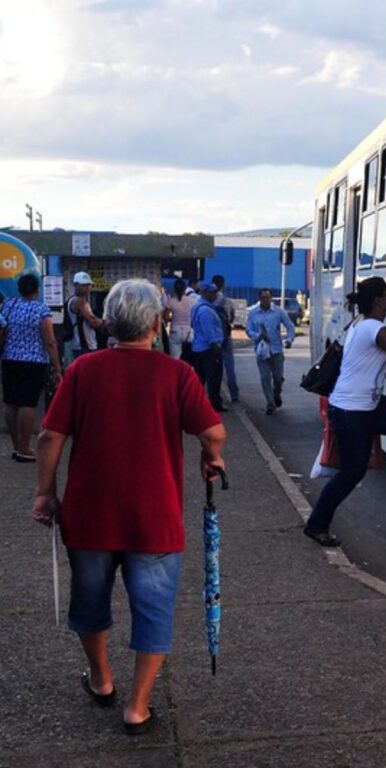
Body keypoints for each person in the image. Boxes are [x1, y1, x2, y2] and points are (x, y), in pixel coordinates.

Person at [32, 279, 226, 735]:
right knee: (154, 610)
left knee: (90, 602)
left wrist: (46, 491)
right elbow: (213, 432)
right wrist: (210, 457)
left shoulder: (83, 371)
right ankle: (137, 708)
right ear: (158, 324)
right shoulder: (176, 374)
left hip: (89, 514)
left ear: (111, 323)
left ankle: (102, 680)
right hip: (153, 517)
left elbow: (49, 436)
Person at [303, 277, 386, 547]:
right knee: (352, 472)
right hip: (352, 410)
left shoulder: (362, 325)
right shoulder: (371, 328)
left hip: (368, 404)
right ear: (379, 300)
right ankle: (316, 525)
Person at [1, 274, 63, 461]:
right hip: (34, 361)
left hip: (9, 359)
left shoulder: (8, 306)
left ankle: (16, 446)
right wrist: (57, 367)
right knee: (27, 404)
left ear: (19, 289)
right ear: (37, 289)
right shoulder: (41, 310)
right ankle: (25, 448)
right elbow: (50, 341)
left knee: (11, 403)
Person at [246, 288, 295, 415]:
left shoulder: (278, 312)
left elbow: (290, 326)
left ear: (271, 298)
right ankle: (270, 403)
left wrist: (289, 340)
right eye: (262, 297)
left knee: (278, 378)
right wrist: (257, 336)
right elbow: (248, 330)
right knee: (265, 377)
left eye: (267, 297)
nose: (265, 300)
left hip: (276, 350)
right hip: (262, 352)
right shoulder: (253, 313)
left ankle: (276, 392)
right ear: (259, 299)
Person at [190, 282, 226, 411]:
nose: (215, 294)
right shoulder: (206, 310)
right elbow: (209, 330)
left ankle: (197, 403)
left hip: (199, 347)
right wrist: (214, 345)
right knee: (214, 378)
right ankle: (214, 404)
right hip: (209, 348)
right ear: (204, 293)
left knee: (201, 378)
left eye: (216, 291)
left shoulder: (198, 306)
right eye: (212, 292)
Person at [210, 275, 239, 403]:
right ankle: (234, 395)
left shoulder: (209, 301)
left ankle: (215, 396)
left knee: (214, 368)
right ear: (223, 285)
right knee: (230, 367)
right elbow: (232, 318)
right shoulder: (227, 301)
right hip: (226, 337)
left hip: (213, 339)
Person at [67, 272, 104, 357]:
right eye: (84, 285)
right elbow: (93, 322)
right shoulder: (80, 302)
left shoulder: (72, 300)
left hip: (79, 345)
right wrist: (106, 323)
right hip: (85, 345)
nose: (87, 288)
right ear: (76, 285)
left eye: (89, 285)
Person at [164, 279, 196, 359]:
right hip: (188, 332)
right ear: (185, 289)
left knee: (175, 359)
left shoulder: (171, 301)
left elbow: (166, 317)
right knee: (189, 359)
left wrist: (171, 319)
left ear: (174, 289)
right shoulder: (192, 301)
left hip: (175, 331)